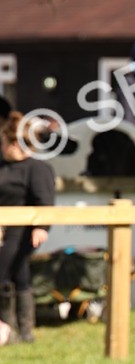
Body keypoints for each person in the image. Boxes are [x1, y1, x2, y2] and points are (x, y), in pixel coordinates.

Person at [0, 111, 56, 344]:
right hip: (3, 228)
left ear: (15, 143)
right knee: (19, 275)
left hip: (22, 231)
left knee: (4, 273)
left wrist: (41, 227)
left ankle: (10, 330)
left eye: (3, 142)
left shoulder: (37, 169)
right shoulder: (3, 167)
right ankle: (22, 331)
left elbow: (45, 200)